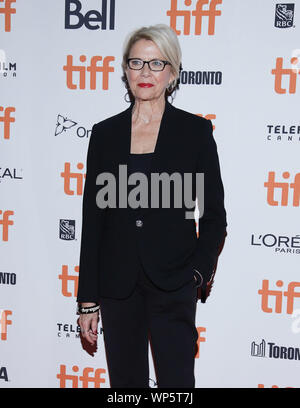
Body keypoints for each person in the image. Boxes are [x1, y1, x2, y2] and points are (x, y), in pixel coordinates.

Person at [77, 23, 227, 388]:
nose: (145, 73)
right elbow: (93, 220)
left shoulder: (195, 132)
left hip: (173, 284)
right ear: (125, 70)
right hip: (117, 287)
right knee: (126, 388)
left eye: (156, 64)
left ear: (172, 73)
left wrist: (196, 274)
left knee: (177, 387)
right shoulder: (104, 134)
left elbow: (214, 217)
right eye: (137, 63)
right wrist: (87, 301)